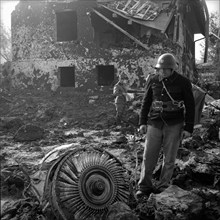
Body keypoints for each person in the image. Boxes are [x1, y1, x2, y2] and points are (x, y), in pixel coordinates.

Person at [136, 53, 195, 198]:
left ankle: (163, 187)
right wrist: (142, 122)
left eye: (165, 69)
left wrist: (188, 127)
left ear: (172, 69)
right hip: (154, 122)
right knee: (148, 156)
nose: (162, 71)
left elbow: (190, 105)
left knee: (169, 158)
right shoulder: (153, 80)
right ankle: (144, 186)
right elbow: (146, 101)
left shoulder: (183, 82)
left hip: (174, 124)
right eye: (160, 69)